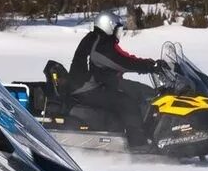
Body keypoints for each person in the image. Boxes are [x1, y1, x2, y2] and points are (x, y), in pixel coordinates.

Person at [67, 11, 163, 147]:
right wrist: (148, 66)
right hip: (86, 88)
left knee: (138, 91)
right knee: (127, 103)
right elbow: (122, 62)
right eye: (117, 28)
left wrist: (148, 64)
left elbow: (124, 57)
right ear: (108, 26)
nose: (119, 32)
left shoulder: (99, 39)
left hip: (96, 84)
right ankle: (138, 144)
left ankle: (141, 134)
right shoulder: (100, 45)